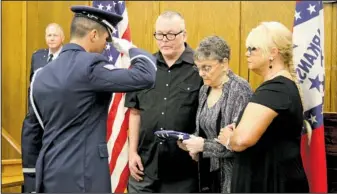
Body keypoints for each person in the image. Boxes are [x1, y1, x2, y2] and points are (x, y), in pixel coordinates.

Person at [26, 5, 157, 193]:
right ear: (93, 34)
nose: (106, 46)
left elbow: (36, 127)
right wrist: (130, 49)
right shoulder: (90, 66)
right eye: (106, 39)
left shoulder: (40, 75)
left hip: (49, 172)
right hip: (84, 176)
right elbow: (146, 75)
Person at [217, 22, 309, 192]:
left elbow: (241, 141)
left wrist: (229, 139)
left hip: (270, 182)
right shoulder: (281, 87)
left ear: (273, 52)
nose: (246, 54)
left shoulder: (275, 90)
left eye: (253, 48)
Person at [125, 11, 203, 193]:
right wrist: (132, 153)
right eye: (159, 34)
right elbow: (135, 112)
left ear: (184, 35)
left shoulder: (199, 68)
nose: (164, 40)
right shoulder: (144, 68)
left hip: (183, 170)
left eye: (171, 34)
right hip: (144, 167)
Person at [178, 35, 252, 193]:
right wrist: (190, 143)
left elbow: (238, 143)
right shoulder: (205, 89)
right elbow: (203, 131)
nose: (201, 73)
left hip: (233, 177)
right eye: (198, 68)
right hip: (207, 174)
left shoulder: (239, 89)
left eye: (206, 67)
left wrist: (202, 146)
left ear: (224, 63)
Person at [21, 22, 64, 193]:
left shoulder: (68, 57)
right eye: (48, 35)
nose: (51, 38)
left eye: (54, 35)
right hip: (36, 117)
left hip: (57, 118)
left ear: (62, 38)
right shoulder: (38, 56)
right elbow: (32, 86)